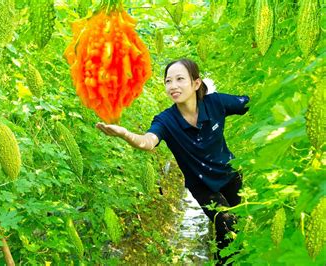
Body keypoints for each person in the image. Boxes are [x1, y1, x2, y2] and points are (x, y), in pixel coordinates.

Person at [96, 58, 250, 265]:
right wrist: (125, 134)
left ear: (196, 83)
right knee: (227, 222)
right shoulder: (166, 120)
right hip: (202, 184)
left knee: (234, 230)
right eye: (168, 81)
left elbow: (250, 103)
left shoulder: (216, 103)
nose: (173, 86)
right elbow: (147, 141)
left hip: (231, 175)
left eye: (179, 79)